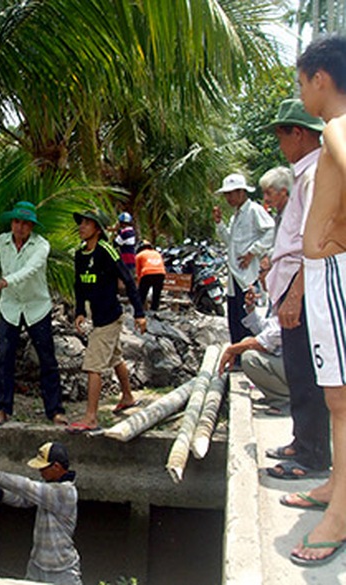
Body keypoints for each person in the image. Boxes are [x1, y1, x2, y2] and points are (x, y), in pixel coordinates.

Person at [284, 34, 346, 567]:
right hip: (325, 270)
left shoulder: (338, 128)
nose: (302, 92)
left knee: (343, 401)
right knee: (336, 399)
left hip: (335, 271)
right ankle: (337, 489)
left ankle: (340, 515)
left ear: (320, 79)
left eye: (302, 83)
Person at [259, 102, 331, 482]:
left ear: (298, 133)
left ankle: (313, 454)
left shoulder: (313, 174)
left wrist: (295, 294)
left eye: (281, 135)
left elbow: (313, 240)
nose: (280, 143)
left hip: (300, 283)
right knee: (298, 368)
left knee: (305, 371)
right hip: (292, 279)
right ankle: (302, 442)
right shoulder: (304, 174)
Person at [67, 209, 147, 435]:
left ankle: (91, 418)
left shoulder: (107, 251)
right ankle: (128, 397)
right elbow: (79, 286)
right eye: (80, 223)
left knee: (93, 365)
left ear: (98, 229)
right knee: (115, 357)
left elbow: (129, 281)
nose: (81, 226)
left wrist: (139, 313)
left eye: (86, 223)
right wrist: (80, 311)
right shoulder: (81, 254)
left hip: (110, 317)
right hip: (97, 316)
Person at [0, 201, 67, 426]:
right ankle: (2, 408)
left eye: (25, 223)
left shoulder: (41, 245)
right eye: (16, 222)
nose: (20, 227)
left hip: (37, 307)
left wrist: (5, 281)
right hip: (10, 307)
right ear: (11, 223)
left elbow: (30, 269)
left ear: (32, 226)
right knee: (4, 358)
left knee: (47, 359)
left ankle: (55, 410)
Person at [0, 442, 81, 585]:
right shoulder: (48, 485)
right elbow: (23, 500)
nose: (40, 472)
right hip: (37, 565)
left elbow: (26, 486)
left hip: (62, 571)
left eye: (43, 468)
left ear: (56, 467)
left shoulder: (65, 492)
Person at [212, 173, 275, 345]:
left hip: (248, 274)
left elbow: (271, 230)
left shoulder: (254, 210)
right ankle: (238, 354)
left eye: (231, 193)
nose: (228, 198)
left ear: (241, 192)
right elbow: (229, 242)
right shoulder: (236, 216)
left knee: (247, 316)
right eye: (226, 194)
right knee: (235, 316)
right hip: (235, 274)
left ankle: (248, 352)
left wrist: (252, 252)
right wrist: (219, 224)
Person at [219, 289, 289, 416]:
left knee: (250, 358)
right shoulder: (276, 299)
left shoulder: (289, 300)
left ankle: (285, 401)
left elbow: (269, 338)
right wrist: (251, 308)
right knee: (246, 343)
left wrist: (231, 349)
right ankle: (277, 394)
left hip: (296, 364)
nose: (260, 277)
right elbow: (263, 329)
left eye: (262, 272)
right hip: (286, 360)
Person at [134, 241, 166, 312]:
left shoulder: (139, 255)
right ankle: (154, 310)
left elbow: (138, 271)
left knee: (142, 294)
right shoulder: (157, 253)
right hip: (161, 273)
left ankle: (139, 310)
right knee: (156, 294)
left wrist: (139, 282)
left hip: (147, 273)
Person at [113, 211, 137, 277]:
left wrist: (114, 231)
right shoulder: (131, 232)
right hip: (131, 258)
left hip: (126, 258)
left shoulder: (125, 233)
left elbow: (115, 243)